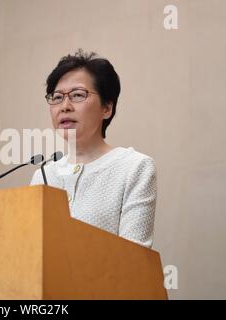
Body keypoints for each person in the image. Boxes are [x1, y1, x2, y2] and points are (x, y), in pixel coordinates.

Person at [30, 49, 157, 248]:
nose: (64, 106)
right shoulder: (43, 176)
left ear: (107, 108)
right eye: (57, 97)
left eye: (78, 95)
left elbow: (135, 260)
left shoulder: (134, 167)